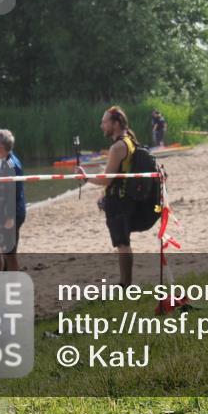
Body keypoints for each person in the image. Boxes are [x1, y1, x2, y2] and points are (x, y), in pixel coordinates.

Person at [76, 106, 143, 286]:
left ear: (116, 124)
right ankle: (126, 282)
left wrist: (86, 177)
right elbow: (118, 176)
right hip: (125, 198)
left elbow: (107, 179)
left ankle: (125, 284)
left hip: (119, 201)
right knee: (123, 243)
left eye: (104, 122)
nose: (101, 126)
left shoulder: (118, 147)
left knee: (122, 243)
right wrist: (103, 194)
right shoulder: (130, 140)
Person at [0, 129, 22, 272]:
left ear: (0, 145)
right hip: (1, 214)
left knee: (5, 251)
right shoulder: (3, 162)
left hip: (8, 216)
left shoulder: (11, 164)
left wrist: (10, 217)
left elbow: (15, 191)